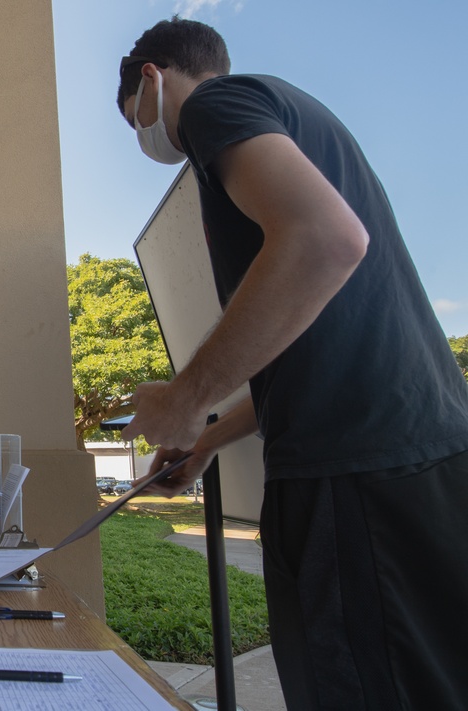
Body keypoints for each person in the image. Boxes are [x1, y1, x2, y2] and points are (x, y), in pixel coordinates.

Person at [115, 17, 468, 710]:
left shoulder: (217, 106)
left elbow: (327, 239)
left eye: (137, 121)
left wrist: (186, 394)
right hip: (421, 460)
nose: (147, 140)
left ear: (153, 79)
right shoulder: (294, 113)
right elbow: (307, 351)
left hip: (353, 476)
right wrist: (204, 440)